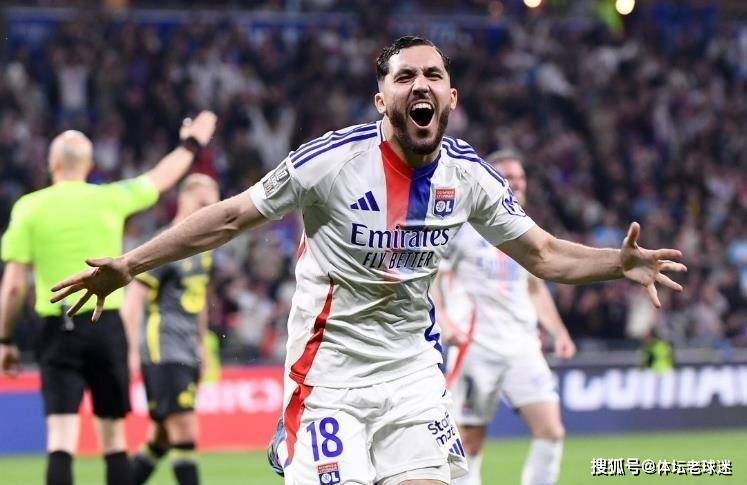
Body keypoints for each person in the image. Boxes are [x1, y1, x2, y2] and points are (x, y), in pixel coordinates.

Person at [50, 36, 685, 485]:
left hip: (412, 374)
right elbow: (230, 216)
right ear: (381, 99)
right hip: (328, 378)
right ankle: (295, 434)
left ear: (452, 96)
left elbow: (543, 254)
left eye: (432, 75)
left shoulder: (469, 176)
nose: (420, 85)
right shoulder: (330, 161)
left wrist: (617, 263)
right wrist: (131, 264)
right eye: (404, 77)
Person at [0, 111, 217, 485]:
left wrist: (5, 339)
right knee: (114, 440)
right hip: (107, 325)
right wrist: (191, 145)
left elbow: (14, 286)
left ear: (53, 164)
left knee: (61, 439)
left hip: (58, 326)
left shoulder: (29, 207)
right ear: (89, 165)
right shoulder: (111, 198)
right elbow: (161, 178)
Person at [432, 151, 575, 485]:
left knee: (551, 430)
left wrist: (559, 332)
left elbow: (535, 288)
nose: (516, 184)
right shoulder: (461, 226)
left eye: (520, 178)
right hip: (476, 346)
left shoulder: (527, 231)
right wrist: (444, 321)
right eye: (508, 177)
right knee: (469, 441)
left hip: (523, 345)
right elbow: (432, 279)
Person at [124, 174, 220, 485]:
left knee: (161, 438)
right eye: (203, 203)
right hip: (163, 348)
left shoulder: (203, 249)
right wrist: (129, 351)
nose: (209, 211)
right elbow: (134, 298)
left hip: (187, 350)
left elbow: (199, 300)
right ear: (185, 200)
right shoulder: (165, 244)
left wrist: (203, 348)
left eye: (213, 205)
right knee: (185, 431)